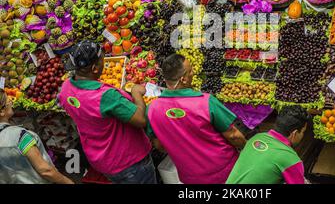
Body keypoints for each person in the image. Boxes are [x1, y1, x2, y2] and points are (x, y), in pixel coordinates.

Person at [58, 40, 155, 184]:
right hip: (128, 161)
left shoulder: (66, 87)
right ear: (95, 68)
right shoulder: (105, 96)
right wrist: (136, 93)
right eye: (103, 60)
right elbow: (141, 120)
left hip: (101, 159)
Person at [146, 53, 247, 184]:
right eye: (190, 71)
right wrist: (245, 147)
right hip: (224, 171)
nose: (193, 72)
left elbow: (159, 145)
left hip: (190, 176)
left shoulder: (152, 109)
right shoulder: (205, 102)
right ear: (183, 79)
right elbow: (234, 136)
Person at [0, 91, 73, 184]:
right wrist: (67, 182)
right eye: (8, 101)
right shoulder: (20, 136)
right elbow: (45, 171)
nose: (11, 101)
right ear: (2, 111)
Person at [226, 105, 310, 184]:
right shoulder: (292, 160)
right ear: (294, 133)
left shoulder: (256, 138)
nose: (302, 135)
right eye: (303, 132)